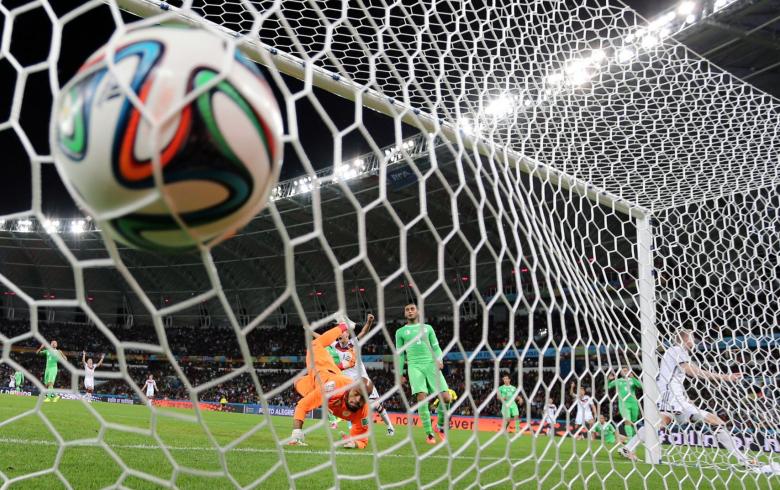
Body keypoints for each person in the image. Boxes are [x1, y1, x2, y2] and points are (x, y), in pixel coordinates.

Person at [619, 330, 755, 468]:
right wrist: (725, 377)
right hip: (669, 395)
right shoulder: (677, 350)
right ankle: (628, 448)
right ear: (684, 339)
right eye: (692, 337)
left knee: (715, 422)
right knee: (659, 423)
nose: (694, 340)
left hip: (676, 398)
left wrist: (684, 398)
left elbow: (677, 377)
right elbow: (692, 371)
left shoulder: (677, 352)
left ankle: (743, 459)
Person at [289, 323, 372, 448]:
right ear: (350, 389)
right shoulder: (333, 387)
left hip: (334, 374)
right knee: (315, 344)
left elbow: (363, 441)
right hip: (321, 368)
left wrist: (354, 443)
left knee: (297, 382)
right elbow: (302, 406)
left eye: (362, 399)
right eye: (356, 394)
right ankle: (344, 325)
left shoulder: (363, 411)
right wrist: (296, 434)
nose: (357, 400)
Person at [319, 314, 395, 436]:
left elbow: (364, 332)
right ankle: (353, 429)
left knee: (376, 405)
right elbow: (321, 339)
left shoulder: (354, 343)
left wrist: (369, 322)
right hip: (348, 382)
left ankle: (390, 426)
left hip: (362, 379)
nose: (340, 334)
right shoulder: (334, 345)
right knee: (351, 405)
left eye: (343, 332)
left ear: (347, 334)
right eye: (339, 333)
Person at [396, 303, 453, 444]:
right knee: (422, 398)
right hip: (414, 366)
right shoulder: (400, 332)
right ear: (405, 314)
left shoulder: (428, 328)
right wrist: (399, 373)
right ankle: (429, 434)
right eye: (407, 310)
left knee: (446, 398)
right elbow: (400, 355)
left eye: (412, 309)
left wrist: (439, 359)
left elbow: (436, 348)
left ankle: (440, 426)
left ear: (418, 311)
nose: (410, 311)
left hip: (431, 364)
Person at [607, 367, 642, 437]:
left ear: (629, 372)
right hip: (623, 403)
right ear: (620, 373)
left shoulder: (632, 380)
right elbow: (607, 387)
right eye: (623, 371)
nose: (624, 372)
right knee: (627, 420)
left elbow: (640, 386)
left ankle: (634, 437)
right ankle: (630, 438)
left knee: (633, 421)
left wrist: (633, 378)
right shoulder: (618, 381)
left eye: (626, 371)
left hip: (634, 403)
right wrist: (608, 380)